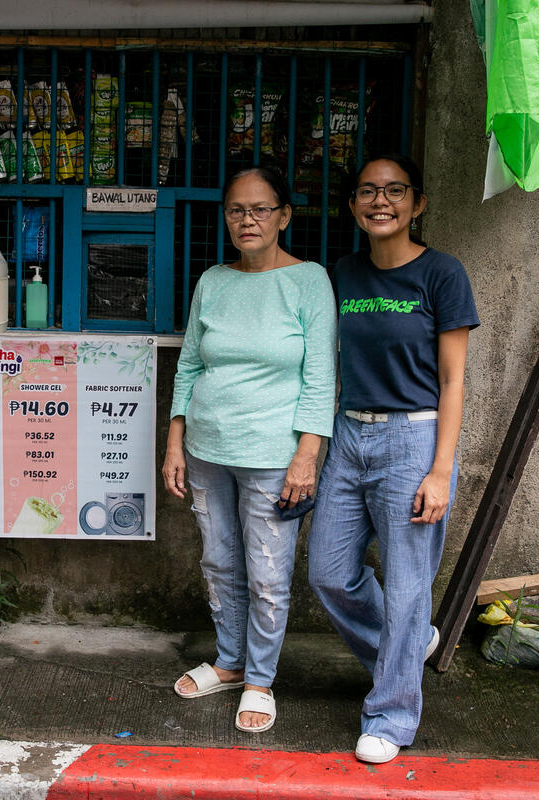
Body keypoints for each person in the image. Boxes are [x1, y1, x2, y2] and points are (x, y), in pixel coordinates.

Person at [308, 154, 478, 763]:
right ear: (353, 205)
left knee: (408, 585)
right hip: (349, 435)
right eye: (367, 192)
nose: (381, 202)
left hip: (414, 438)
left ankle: (391, 716)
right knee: (328, 571)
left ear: (417, 203)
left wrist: (440, 469)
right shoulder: (344, 273)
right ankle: (405, 645)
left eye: (395, 191)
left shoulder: (442, 274)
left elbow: (454, 381)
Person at [164, 166, 336, 734]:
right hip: (208, 449)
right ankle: (231, 662)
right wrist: (175, 443)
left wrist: (307, 454)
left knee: (267, 574)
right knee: (218, 561)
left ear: (284, 216)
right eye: (237, 209)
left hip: (274, 455)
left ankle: (261, 679)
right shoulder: (212, 280)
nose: (248, 220)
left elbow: (320, 376)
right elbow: (189, 363)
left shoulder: (309, 280)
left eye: (261, 209)